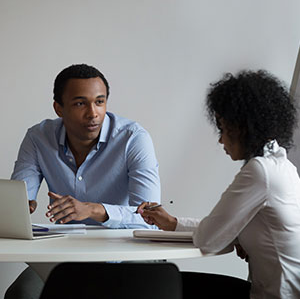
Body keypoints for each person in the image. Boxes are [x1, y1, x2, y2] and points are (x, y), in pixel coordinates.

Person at [138, 70, 300, 299]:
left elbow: (209, 240)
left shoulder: (260, 172)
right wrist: (173, 223)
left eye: (223, 129)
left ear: (244, 127)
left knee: (161, 283)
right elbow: (224, 231)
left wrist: (235, 236)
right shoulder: (281, 165)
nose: (220, 139)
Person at [5, 64, 160, 299]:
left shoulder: (133, 139)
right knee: (22, 294)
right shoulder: (38, 138)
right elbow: (18, 197)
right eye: (80, 103)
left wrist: (94, 210)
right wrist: (20, 207)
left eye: (99, 101)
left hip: (127, 252)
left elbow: (150, 218)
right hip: (66, 254)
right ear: (59, 108)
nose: (93, 113)